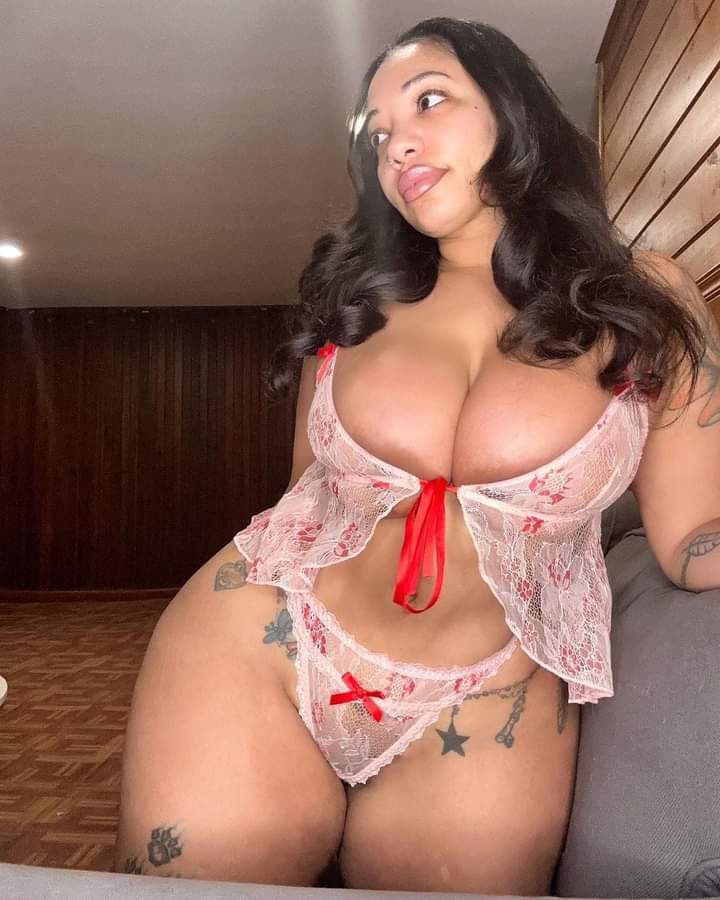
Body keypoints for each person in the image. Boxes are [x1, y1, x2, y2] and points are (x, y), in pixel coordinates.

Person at [114, 15, 709, 893]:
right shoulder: (356, 298)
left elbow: (696, 534)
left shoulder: (644, 296)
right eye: (377, 132)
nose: (396, 145)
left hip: (488, 696)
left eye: (429, 101)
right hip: (265, 642)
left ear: (512, 110)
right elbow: (303, 498)